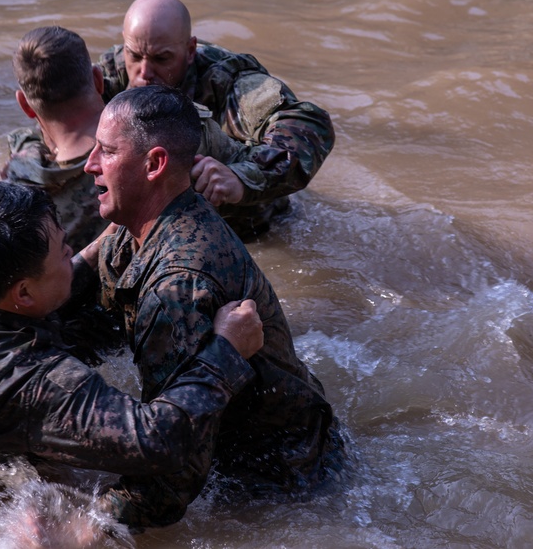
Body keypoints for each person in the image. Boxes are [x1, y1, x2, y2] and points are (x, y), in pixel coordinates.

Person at [0, 181, 265, 533]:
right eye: (64, 251)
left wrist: (110, 238)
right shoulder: (34, 381)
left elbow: (49, 287)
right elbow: (157, 439)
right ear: (23, 293)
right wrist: (226, 352)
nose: (73, 252)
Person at [71, 85, 354, 529]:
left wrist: (84, 524)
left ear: (154, 164)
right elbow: (70, 317)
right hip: (261, 448)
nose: (89, 165)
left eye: (106, 152)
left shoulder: (180, 284)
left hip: (282, 484)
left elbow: (172, 474)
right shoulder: (136, 230)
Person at [96, 0, 336, 237]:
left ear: (190, 51)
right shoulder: (113, 73)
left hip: (256, 228)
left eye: (161, 59)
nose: (144, 72)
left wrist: (239, 177)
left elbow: (310, 126)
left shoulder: (228, 82)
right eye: (134, 56)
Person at [1, 25, 246, 250]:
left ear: (25, 105)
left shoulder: (18, 188)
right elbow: (272, 205)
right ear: (99, 80)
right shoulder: (175, 131)